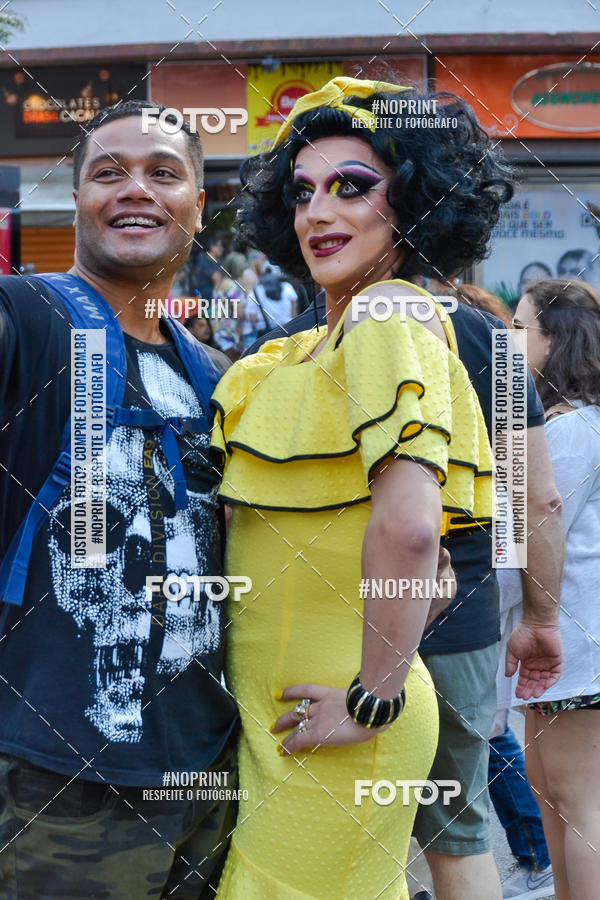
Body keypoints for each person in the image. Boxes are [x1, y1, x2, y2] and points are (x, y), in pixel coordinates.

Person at [209, 75, 550, 899]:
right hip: (296, 711)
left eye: (352, 187)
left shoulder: (385, 313)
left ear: (415, 202)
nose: (318, 212)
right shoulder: (314, 340)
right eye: (302, 193)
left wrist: (373, 700)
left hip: (337, 717)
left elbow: (415, 527)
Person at [246, 267, 564, 900]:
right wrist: (539, 616)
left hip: (332, 626)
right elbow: (534, 500)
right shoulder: (490, 339)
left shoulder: (303, 339)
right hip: (460, 621)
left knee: (337, 830)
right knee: (459, 833)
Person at [0, 100, 238, 898]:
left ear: (197, 206)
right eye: (109, 172)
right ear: (77, 199)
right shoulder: (26, 315)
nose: (136, 188)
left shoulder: (216, 373)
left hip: (208, 771)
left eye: (163, 173)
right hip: (58, 785)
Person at [504, 278, 600, 900]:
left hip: (575, 644)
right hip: (564, 644)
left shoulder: (569, 432)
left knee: (579, 802)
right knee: (554, 798)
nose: (508, 342)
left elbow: (528, 526)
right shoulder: (575, 424)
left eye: (520, 328)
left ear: (555, 339)